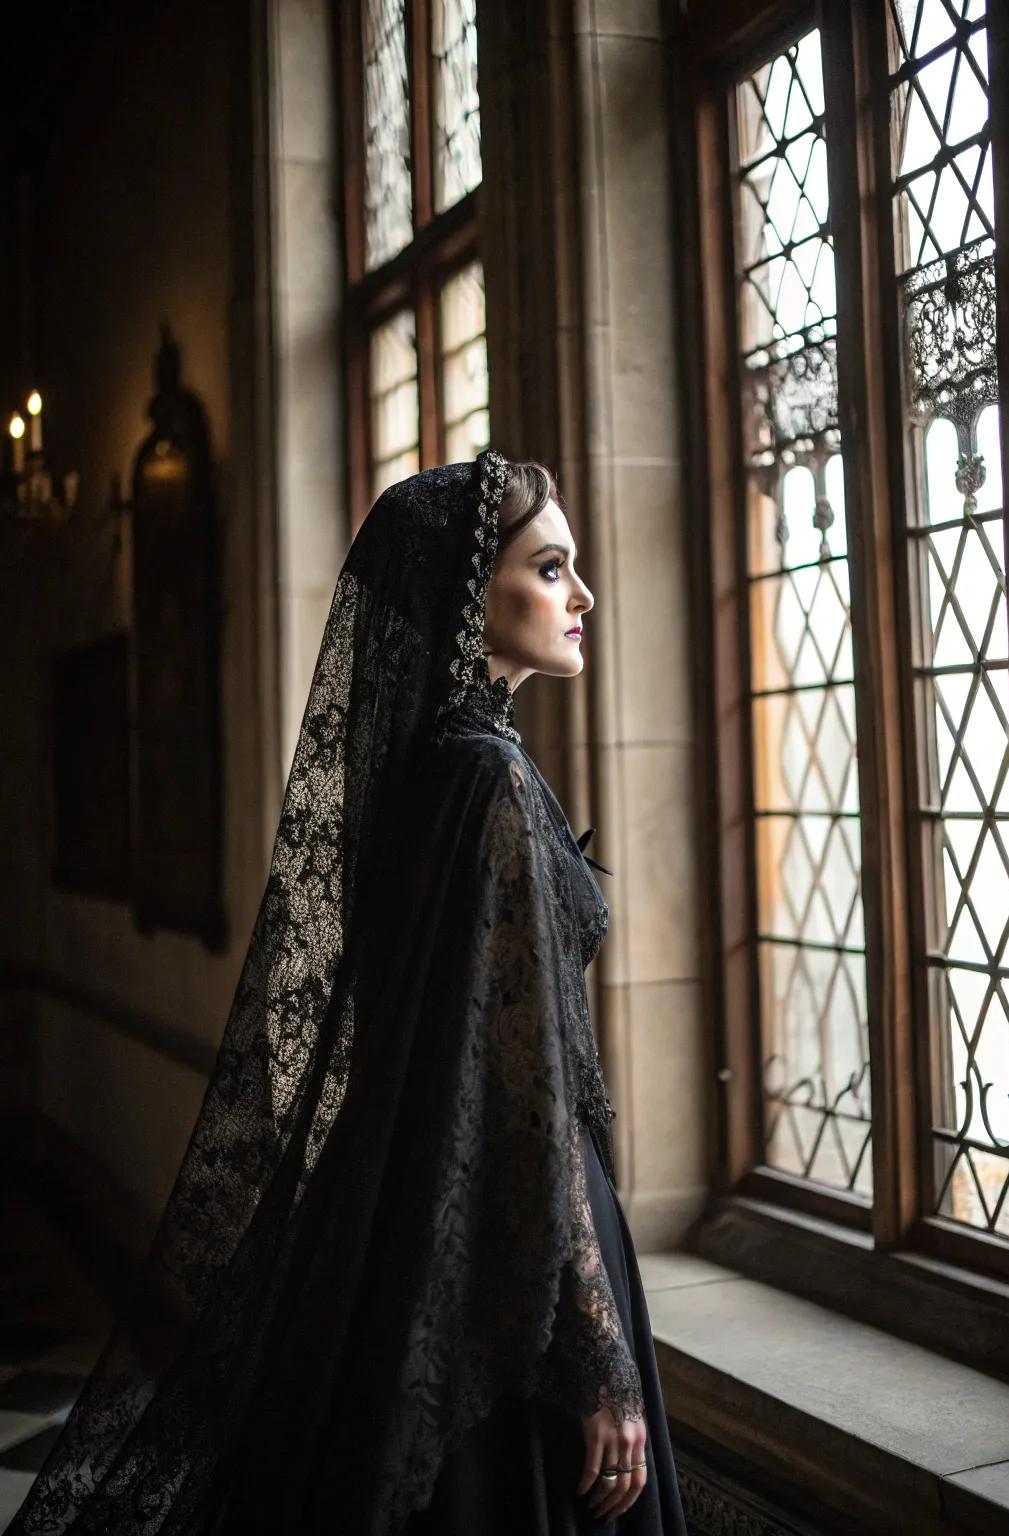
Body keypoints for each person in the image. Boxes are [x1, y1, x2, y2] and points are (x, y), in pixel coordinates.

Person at [6, 448, 688, 1535]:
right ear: (469, 597)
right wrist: (600, 1355)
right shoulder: (488, 780)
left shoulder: (424, 776)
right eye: (550, 568)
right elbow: (535, 1096)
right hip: (507, 1258)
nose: (583, 595)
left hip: (403, 1223)